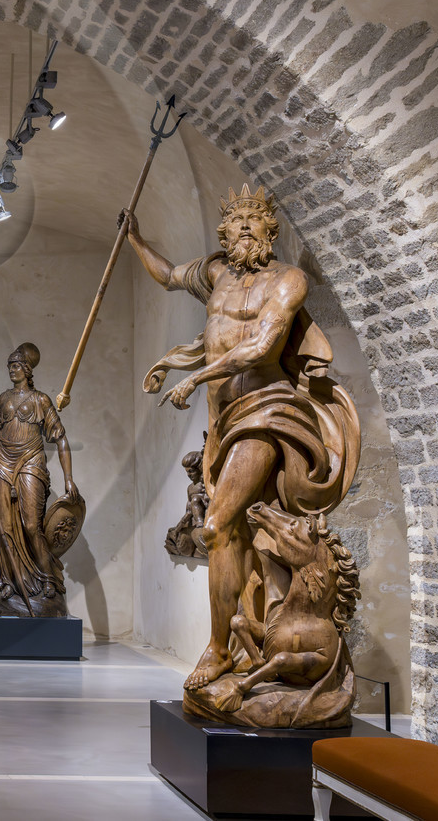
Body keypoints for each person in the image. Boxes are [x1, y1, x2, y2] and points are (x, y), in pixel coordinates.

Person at [123, 184, 359, 694]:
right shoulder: (215, 277)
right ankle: (261, 636)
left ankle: (218, 649)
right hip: (226, 418)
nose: (247, 226)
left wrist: (193, 378)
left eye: (257, 219)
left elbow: (261, 345)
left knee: (217, 523)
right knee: (245, 535)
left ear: (270, 231)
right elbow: (166, 276)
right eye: (238, 220)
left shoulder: (288, 280)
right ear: (224, 232)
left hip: (270, 411)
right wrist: (134, 240)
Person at [0, 343, 75, 616]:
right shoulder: (4, 399)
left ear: (28, 370)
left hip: (31, 462)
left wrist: (68, 479)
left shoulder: (40, 400)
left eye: (17, 365)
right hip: (2, 464)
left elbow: (61, 438)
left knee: (32, 525)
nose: (12, 370)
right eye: (10, 366)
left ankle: (48, 580)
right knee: (3, 528)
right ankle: (9, 582)